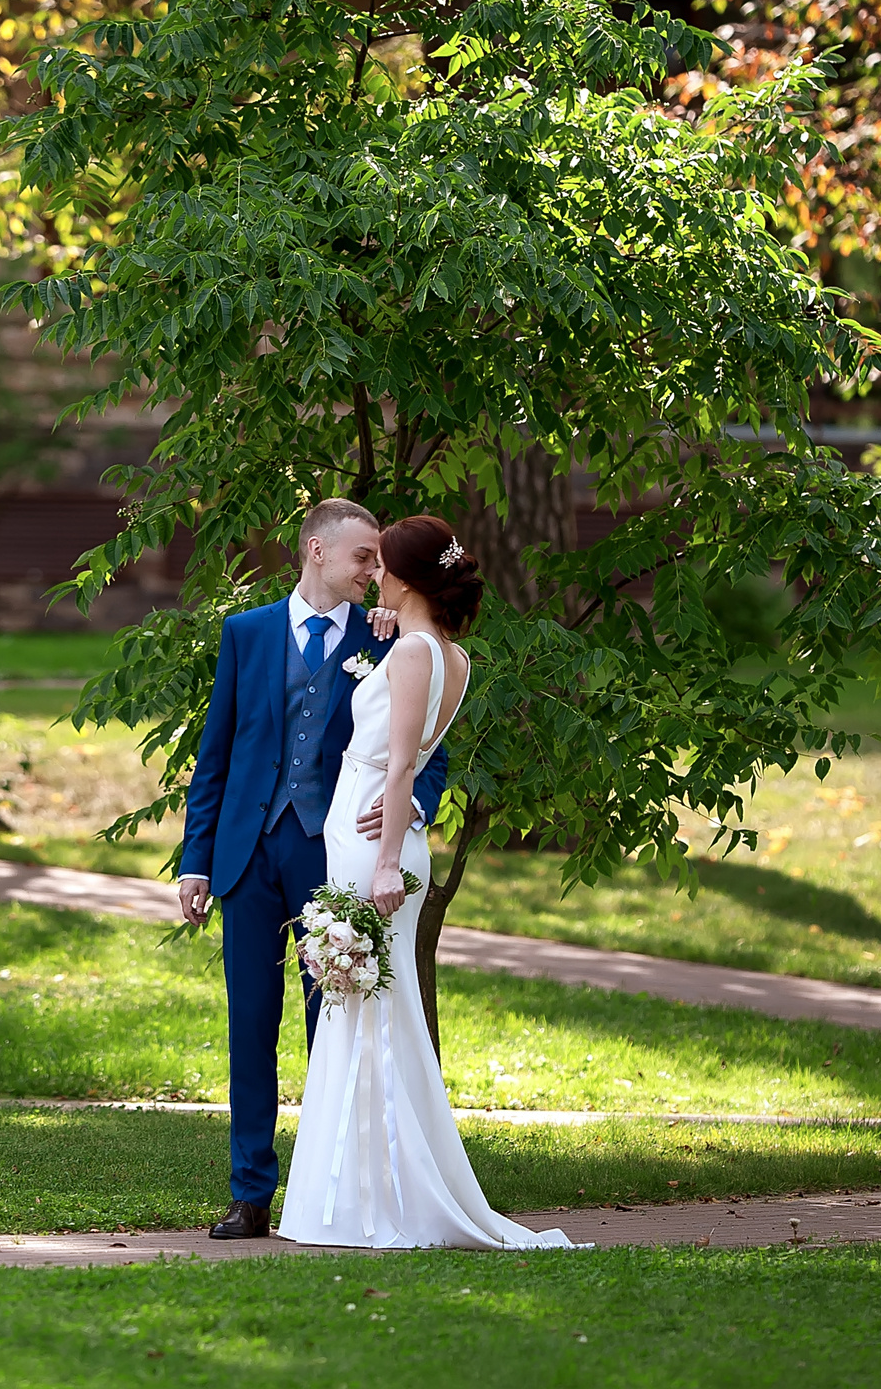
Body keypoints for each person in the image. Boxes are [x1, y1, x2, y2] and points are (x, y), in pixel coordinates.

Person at [274, 513, 583, 1250]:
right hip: (376, 829)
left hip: (373, 839)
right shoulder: (450, 654)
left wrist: (383, 863)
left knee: (366, 1011)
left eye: (382, 565)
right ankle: (354, 1195)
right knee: (368, 1008)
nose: (372, 574)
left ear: (405, 577)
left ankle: (375, 1204)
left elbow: (405, 758)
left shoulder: (415, 655)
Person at [176, 499, 450, 1241]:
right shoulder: (248, 632)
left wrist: (412, 810)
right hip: (247, 855)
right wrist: (194, 861)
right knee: (250, 1026)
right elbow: (218, 753)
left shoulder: (390, 638)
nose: (374, 571)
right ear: (316, 551)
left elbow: (428, 750)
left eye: (380, 561)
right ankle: (249, 1193)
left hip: (332, 855)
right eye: (364, 557)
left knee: (333, 1023)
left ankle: (332, 1190)